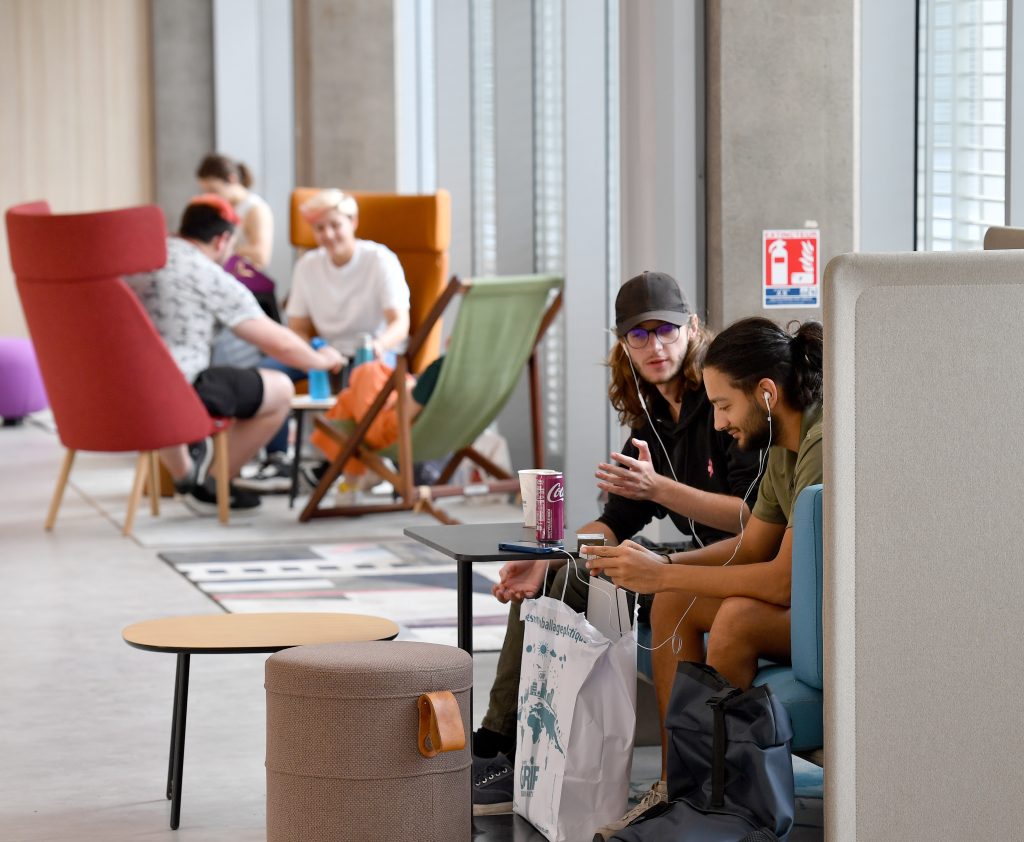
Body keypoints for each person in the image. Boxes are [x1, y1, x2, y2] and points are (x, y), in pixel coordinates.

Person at [471, 272, 764, 818]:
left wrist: (661, 488)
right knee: (560, 569)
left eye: (666, 331)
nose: (655, 346)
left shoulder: (725, 401)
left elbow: (754, 517)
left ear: (692, 328)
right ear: (623, 342)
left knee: (580, 576)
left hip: (736, 565)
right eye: (639, 335)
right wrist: (550, 558)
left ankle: (512, 749)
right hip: (699, 559)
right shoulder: (649, 412)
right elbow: (622, 516)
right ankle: (503, 745)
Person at [585, 316, 823, 836]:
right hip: (804, 606)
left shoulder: (820, 443)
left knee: (734, 617)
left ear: (765, 393)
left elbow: (782, 581)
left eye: (723, 406)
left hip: (839, 617)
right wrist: (657, 569)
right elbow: (751, 544)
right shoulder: (782, 447)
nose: (717, 423)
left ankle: (721, 802)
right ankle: (679, 785)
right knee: (675, 605)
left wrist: (664, 574)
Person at [125, 195, 344, 514]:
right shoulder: (207, 274)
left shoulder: (141, 261)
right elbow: (278, 343)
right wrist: (323, 360)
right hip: (179, 394)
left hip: (127, 392)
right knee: (279, 388)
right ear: (222, 239)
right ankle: (215, 483)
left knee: (181, 373)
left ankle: (185, 476)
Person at [238, 189, 411, 493]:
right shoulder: (308, 266)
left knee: (367, 378)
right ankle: (278, 458)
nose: (328, 235)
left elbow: (400, 323)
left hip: (374, 350)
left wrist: (376, 347)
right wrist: (315, 350)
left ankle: (372, 464)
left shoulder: (379, 259)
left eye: (335, 225)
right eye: (319, 229)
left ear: (353, 222)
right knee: (269, 373)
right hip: (326, 351)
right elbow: (298, 328)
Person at [307, 355, 444, 494]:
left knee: (366, 372)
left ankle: (354, 477)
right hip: (426, 429)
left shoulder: (438, 368)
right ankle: (352, 479)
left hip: (388, 431)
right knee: (353, 393)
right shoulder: (453, 375)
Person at [196, 153, 274, 269]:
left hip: (245, 279)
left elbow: (261, 254)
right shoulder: (219, 208)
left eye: (213, 189)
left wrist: (221, 249)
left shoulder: (256, 209)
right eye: (206, 191)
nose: (210, 195)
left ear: (232, 179)